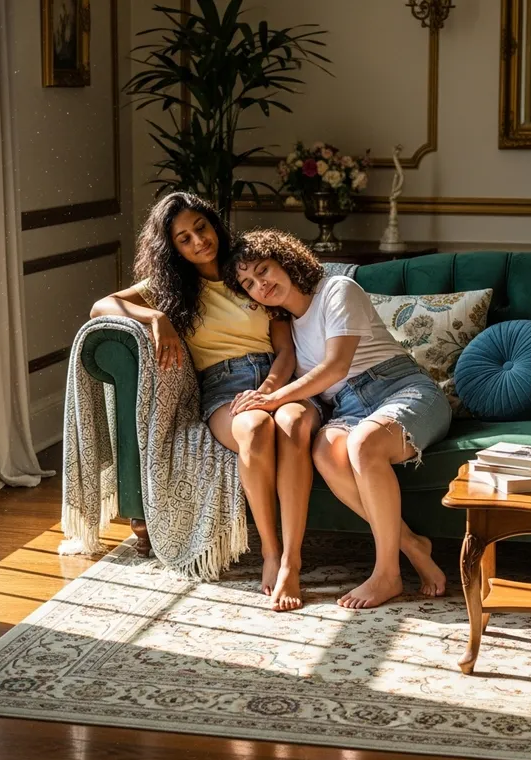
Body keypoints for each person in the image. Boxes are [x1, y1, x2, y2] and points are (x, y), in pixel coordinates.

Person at [90, 195, 321, 609]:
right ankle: (271, 552)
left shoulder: (249, 271)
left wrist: (269, 391)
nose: (198, 240)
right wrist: (156, 317)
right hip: (222, 387)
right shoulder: (169, 290)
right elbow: (101, 306)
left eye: (202, 227)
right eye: (184, 238)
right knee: (254, 427)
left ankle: (293, 559)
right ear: (173, 248)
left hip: (279, 379)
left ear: (215, 223)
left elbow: (286, 350)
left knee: (291, 424)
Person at [224, 229, 452, 610]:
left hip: (400, 388)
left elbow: (336, 366)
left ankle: (387, 575)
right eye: (248, 283)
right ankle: (411, 543)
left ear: (286, 260)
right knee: (326, 453)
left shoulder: (337, 289)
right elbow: (299, 376)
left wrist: (271, 399)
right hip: (349, 407)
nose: (260, 285)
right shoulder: (287, 330)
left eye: (264, 270)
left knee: (363, 444)